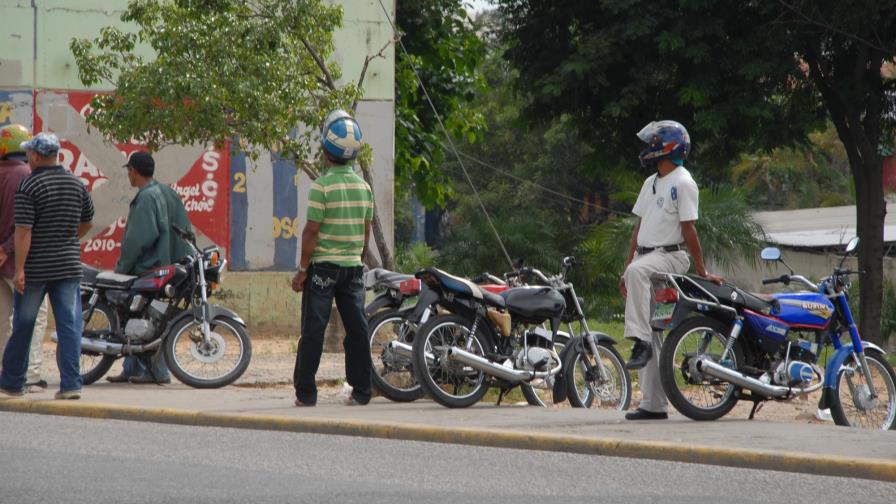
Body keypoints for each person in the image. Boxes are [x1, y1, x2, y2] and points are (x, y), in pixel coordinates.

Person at [619, 120, 723, 421]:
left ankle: (636, 341)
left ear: (667, 148)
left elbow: (689, 229)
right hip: (646, 259)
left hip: (671, 257)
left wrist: (702, 270)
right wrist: (628, 265)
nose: (648, 148)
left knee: (638, 283)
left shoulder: (683, 182)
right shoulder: (650, 182)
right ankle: (653, 405)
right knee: (652, 331)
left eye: (653, 143)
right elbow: (639, 228)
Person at [0, 132, 94, 399]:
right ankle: (71, 385)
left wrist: (19, 269)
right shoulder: (76, 183)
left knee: (24, 324)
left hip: (36, 269)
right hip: (68, 267)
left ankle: (12, 381)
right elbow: (87, 220)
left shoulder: (29, 186)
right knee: (69, 326)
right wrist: (69, 237)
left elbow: (23, 231)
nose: (27, 157)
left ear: (38, 156)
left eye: (30, 153)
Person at [291, 109, 373, 407]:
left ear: (326, 151)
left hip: (323, 269)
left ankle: (306, 394)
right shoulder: (364, 188)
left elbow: (311, 232)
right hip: (352, 270)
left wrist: (302, 271)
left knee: (313, 328)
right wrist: (358, 259)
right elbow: (365, 234)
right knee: (358, 329)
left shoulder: (321, 187)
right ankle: (362, 392)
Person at [105, 151, 192, 385]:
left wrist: (122, 268)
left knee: (140, 317)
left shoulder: (145, 197)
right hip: (172, 270)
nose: (129, 176)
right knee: (150, 318)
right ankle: (132, 368)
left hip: (149, 270)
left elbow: (138, 239)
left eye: (129, 171)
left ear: (133, 171)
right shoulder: (168, 193)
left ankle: (157, 372)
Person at [0, 124, 50, 392]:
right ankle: (29, 374)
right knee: (33, 317)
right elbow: (24, 225)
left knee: (2, 319)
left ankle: (5, 371)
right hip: (20, 263)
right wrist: (7, 248)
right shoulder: (26, 177)